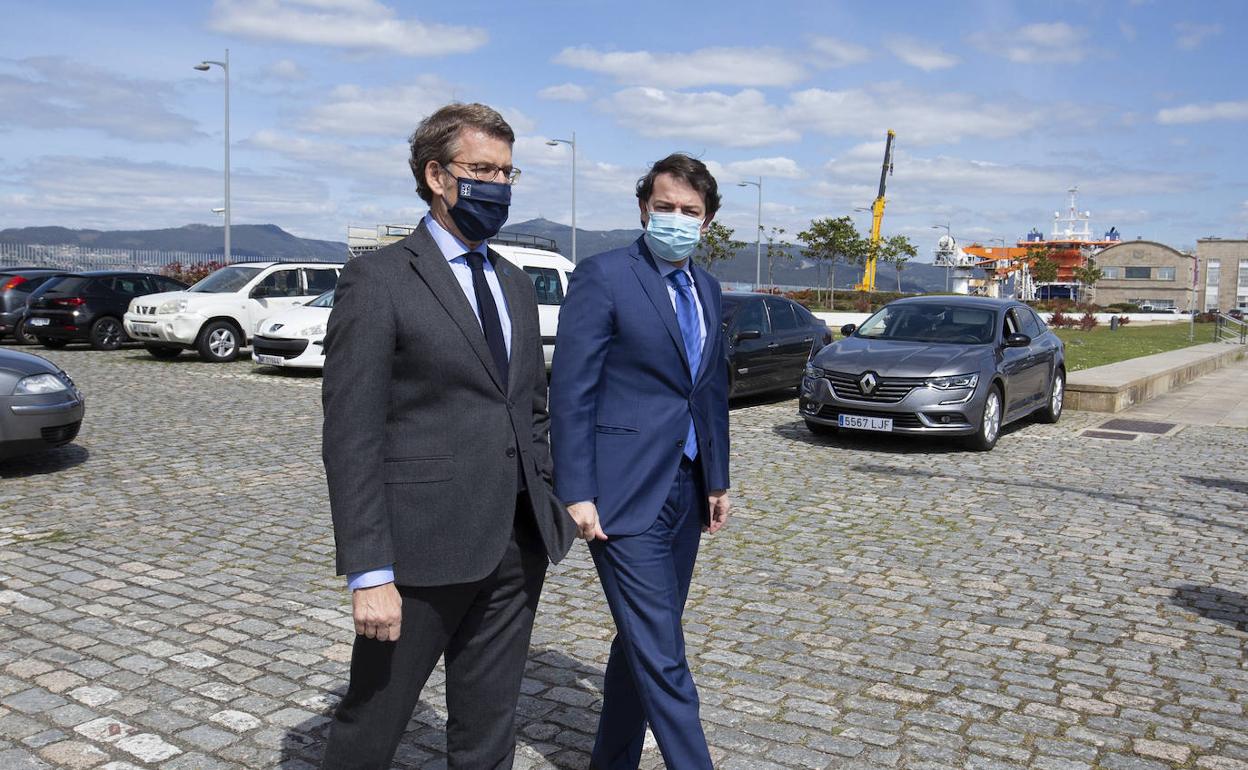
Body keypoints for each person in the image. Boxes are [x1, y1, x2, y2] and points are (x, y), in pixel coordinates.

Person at [319, 102, 576, 770]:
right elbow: (352, 434)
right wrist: (370, 571)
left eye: (508, 173)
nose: (500, 186)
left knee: (489, 729)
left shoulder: (516, 284)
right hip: (418, 553)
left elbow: (531, 409)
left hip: (516, 547)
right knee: (372, 725)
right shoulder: (378, 280)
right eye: (483, 169)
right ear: (437, 175)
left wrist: (545, 496)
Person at [549, 153, 731, 770]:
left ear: (706, 222)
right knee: (663, 651)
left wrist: (717, 477)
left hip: (685, 488)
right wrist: (576, 489)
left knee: (640, 642)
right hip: (622, 493)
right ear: (643, 209)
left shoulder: (706, 288)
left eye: (690, 212)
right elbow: (571, 389)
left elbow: (707, 389)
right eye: (666, 208)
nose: (677, 220)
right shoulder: (603, 276)